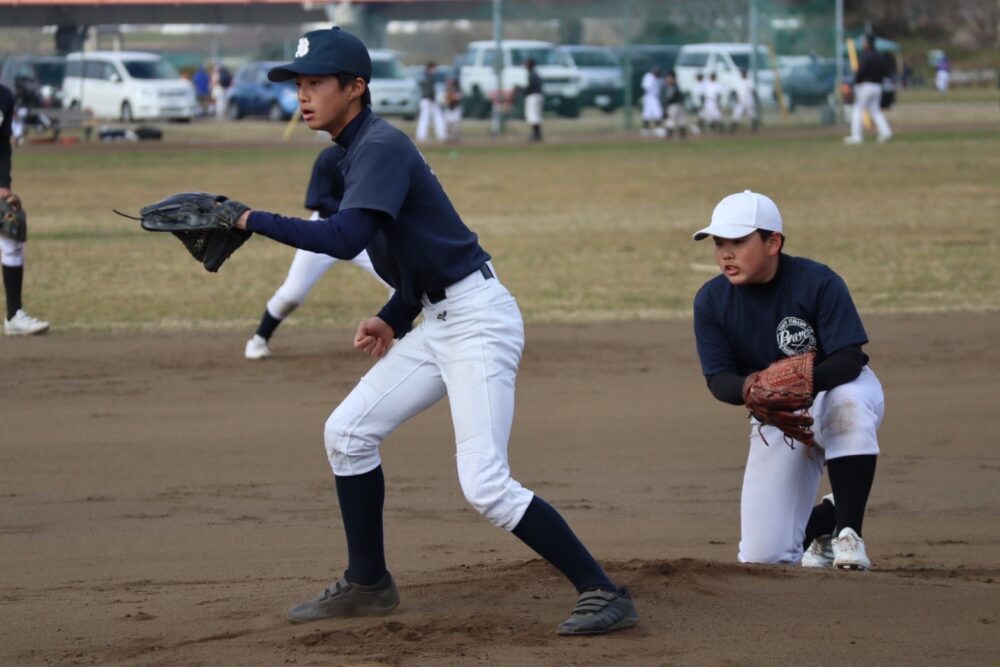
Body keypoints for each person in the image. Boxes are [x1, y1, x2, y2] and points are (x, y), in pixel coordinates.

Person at [229, 26, 639, 635]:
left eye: (315, 83)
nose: (303, 96)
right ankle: (369, 582)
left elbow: (344, 240)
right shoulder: (355, 150)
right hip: (441, 319)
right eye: (298, 84)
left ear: (356, 87)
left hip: (477, 321)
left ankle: (602, 592)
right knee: (346, 434)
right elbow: (420, 260)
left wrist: (248, 218)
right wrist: (394, 317)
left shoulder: (381, 146)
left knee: (485, 484)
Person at [691, 190, 884, 570]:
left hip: (838, 389)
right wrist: (752, 389)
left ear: (773, 242)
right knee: (765, 559)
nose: (725, 253)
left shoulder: (818, 282)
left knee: (846, 408)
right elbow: (718, 378)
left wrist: (800, 387)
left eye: (738, 241)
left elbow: (847, 359)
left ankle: (849, 534)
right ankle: (830, 515)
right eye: (719, 243)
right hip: (778, 415)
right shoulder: (711, 301)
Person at [244, 143, 389, 360]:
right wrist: (353, 210)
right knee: (292, 294)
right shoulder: (329, 158)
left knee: (398, 283)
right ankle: (259, 339)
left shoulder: (375, 158)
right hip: (325, 233)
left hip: (363, 236)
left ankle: (404, 338)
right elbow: (316, 199)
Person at [0, 83, 48, 336]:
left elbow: (3, 147)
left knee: (12, 225)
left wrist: (4, 186)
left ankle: (14, 315)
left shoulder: (4, 96)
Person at [845, 35, 892, 145]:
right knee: (875, 110)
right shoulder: (880, 56)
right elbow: (885, 72)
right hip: (877, 86)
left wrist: (854, 83)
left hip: (865, 85)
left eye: (864, 42)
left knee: (857, 109)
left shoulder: (866, 56)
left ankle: (856, 136)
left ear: (867, 43)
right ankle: (886, 132)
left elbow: (861, 71)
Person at [415, 62, 446, 143]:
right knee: (436, 117)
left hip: (427, 100)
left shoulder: (425, 76)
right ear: (430, 68)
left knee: (425, 118)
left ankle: (422, 135)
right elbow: (428, 89)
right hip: (428, 100)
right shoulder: (429, 77)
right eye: (434, 68)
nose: (436, 70)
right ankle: (441, 134)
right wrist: (429, 98)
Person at [523, 58, 544, 142]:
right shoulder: (535, 74)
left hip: (533, 96)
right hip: (538, 95)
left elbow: (530, 87)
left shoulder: (532, 74)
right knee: (536, 115)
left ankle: (536, 134)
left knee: (533, 114)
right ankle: (537, 134)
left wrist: (523, 90)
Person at [662, 70, 687, 139]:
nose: (667, 79)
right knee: (681, 121)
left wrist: (665, 107)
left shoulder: (672, 86)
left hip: (674, 105)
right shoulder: (677, 85)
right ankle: (682, 136)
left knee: (671, 120)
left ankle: (669, 135)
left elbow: (669, 97)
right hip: (680, 105)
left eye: (669, 77)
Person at [639, 65, 664, 137]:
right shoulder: (648, 77)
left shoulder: (659, 78)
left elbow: (663, 84)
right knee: (652, 113)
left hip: (655, 97)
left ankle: (656, 129)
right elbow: (646, 87)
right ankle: (647, 129)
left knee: (655, 113)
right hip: (649, 97)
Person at [443, 76, 463, 141]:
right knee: (448, 124)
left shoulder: (458, 90)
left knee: (455, 124)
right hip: (449, 108)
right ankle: (448, 137)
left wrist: (451, 97)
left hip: (456, 108)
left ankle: (455, 137)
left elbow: (457, 98)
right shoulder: (447, 89)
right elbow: (445, 99)